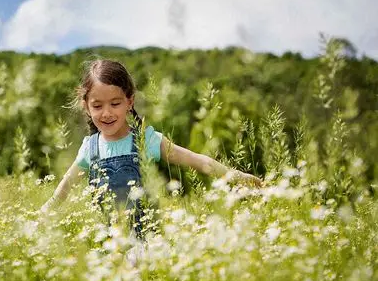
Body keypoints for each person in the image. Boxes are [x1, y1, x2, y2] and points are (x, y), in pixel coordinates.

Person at [40, 59, 262, 237]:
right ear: (86, 107)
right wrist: (42, 216)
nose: (106, 113)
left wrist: (236, 176)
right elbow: (64, 188)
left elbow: (196, 160)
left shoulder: (146, 140)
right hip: (109, 243)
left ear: (130, 102)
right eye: (97, 106)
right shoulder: (91, 148)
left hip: (148, 238)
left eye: (115, 104)